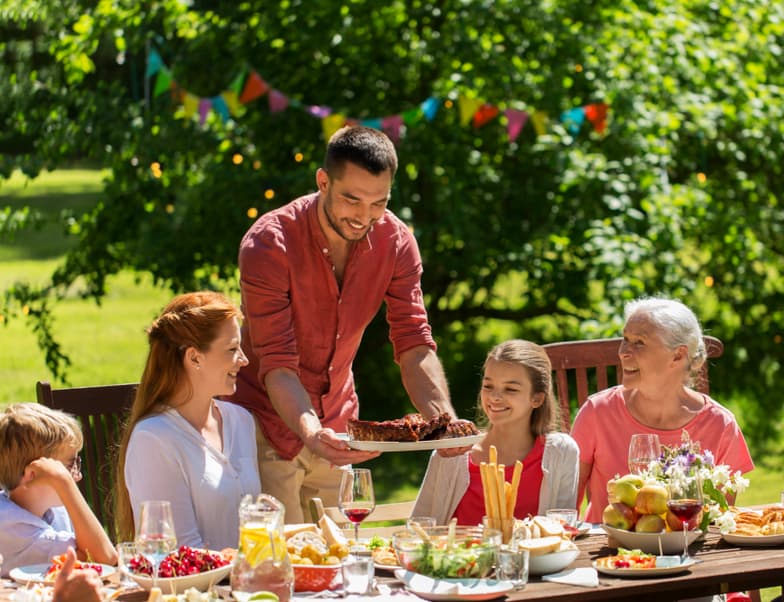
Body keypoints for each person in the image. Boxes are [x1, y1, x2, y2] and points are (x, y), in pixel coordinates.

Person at [233, 125, 460, 522]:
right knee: (279, 565)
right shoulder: (269, 244)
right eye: (351, 200)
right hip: (264, 426)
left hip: (338, 424)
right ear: (323, 181)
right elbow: (277, 363)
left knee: (339, 563)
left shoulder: (396, 242)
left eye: (378, 204)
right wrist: (310, 431)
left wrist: (444, 422)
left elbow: (414, 343)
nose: (364, 217)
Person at [571, 297, 754, 524]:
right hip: (610, 553)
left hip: (688, 553)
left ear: (677, 355)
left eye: (639, 343)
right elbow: (564, 511)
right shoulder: (597, 413)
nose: (623, 352)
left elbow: (717, 522)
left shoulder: (720, 425)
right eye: (625, 339)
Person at [115, 291, 260, 550]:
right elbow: (176, 553)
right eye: (232, 349)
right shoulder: (154, 439)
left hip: (251, 584)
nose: (244, 360)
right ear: (194, 357)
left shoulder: (240, 421)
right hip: (197, 589)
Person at [411, 340, 578, 524]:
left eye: (510, 389)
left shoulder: (561, 452)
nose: (494, 397)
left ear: (537, 399)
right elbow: (419, 529)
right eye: (488, 386)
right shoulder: (451, 454)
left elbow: (563, 531)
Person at [0, 403, 116, 574]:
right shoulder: (12, 524)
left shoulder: (55, 509)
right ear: (33, 473)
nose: (78, 476)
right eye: (69, 466)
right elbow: (104, 559)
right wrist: (64, 483)